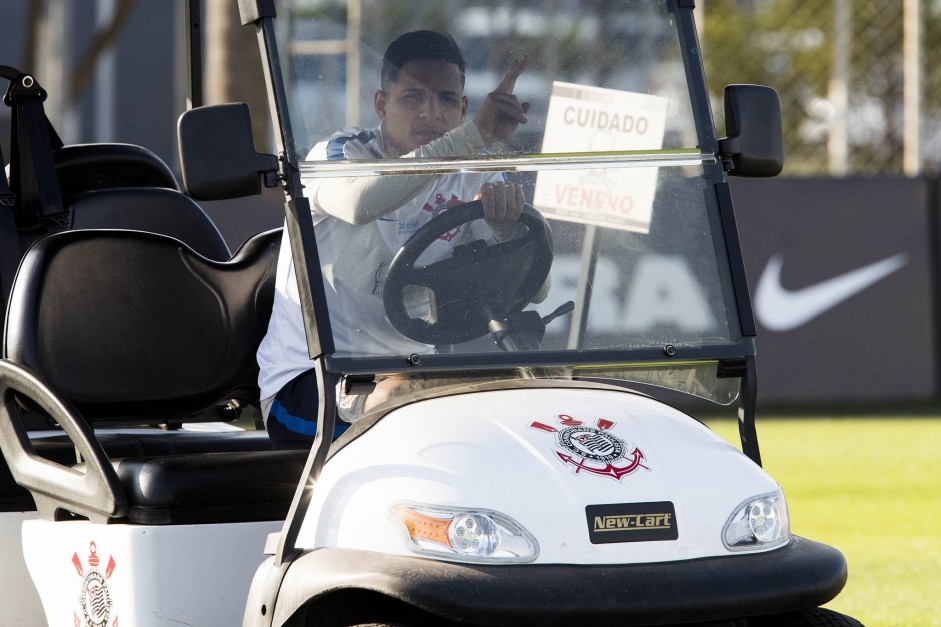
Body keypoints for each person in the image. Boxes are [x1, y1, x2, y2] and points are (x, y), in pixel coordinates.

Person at [256, 30, 536, 448]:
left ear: (462, 108)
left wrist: (505, 226)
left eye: (445, 99)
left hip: (415, 371)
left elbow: (537, 286)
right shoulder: (339, 155)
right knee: (411, 399)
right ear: (381, 105)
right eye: (412, 97)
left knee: (532, 392)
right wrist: (471, 138)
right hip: (314, 384)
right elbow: (359, 204)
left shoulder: (476, 171)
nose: (430, 112)